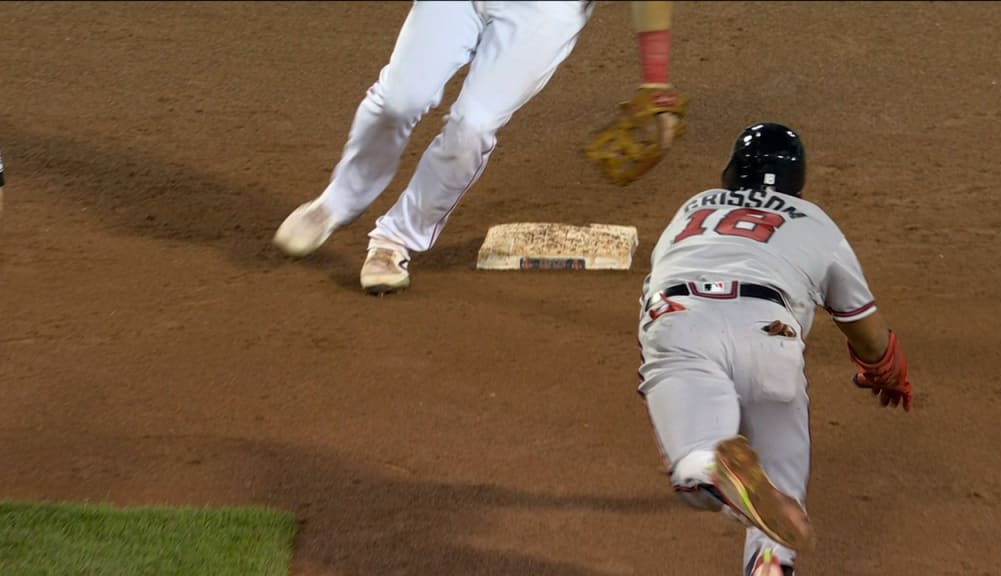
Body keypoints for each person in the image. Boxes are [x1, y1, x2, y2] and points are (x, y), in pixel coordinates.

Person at [636, 123, 914, 576]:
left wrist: (658, 377)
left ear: (731, 172)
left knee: (693, 463)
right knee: (779, 521)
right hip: (771, 336)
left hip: (684, 325)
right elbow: (870, 335)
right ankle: (770, 560)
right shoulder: (815, 221)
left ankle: (710, 466)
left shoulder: (692, 209)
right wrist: (885, 372)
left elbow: (656, 287)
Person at [273, 1, 683, 294]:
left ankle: (395, 240)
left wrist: (655, 80)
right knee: (399, 100)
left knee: (474, 125)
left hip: (545, 12)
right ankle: (336, 203)